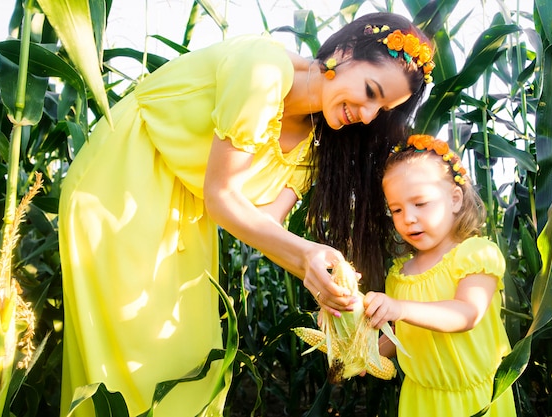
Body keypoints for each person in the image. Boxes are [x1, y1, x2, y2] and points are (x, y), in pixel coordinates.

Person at [58, 12, 434, 417]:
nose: (367, 115)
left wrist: (329, 284)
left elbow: (265, 227)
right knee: (129, 360)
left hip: (186, 216)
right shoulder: (262, 70)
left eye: (381, 110)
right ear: (343, 53)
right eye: (370, 91)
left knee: (188, 359)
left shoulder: (312, 144)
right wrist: (304, 253)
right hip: (121, 186)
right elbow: (223, 197)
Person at [363, 134, 517, 416]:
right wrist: (366, 353)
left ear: (455, 199)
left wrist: (398, 307)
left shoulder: (476, 255)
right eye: (396, 209)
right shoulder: (400, 275)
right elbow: (403, 334)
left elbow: (466, 314)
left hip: (475, 400)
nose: (408, 218)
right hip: (420, 401)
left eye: (420, 204)